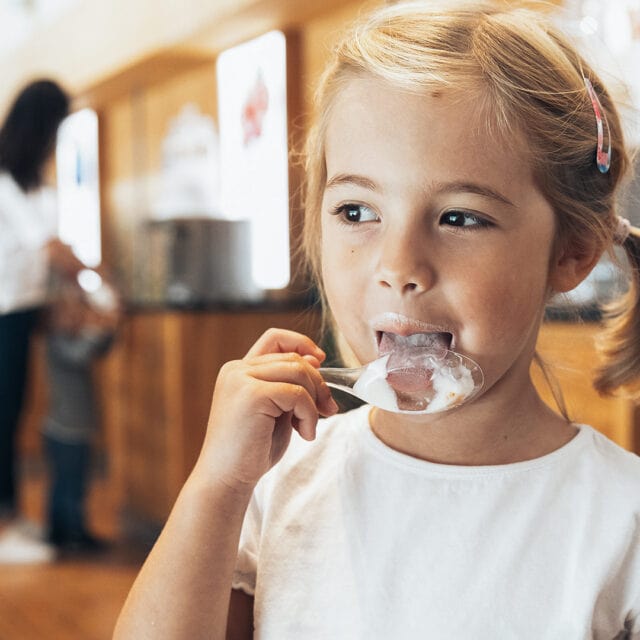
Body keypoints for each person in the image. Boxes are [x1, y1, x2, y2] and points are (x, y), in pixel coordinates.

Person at [114, 1, 640, 636]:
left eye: (460, 217)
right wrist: (217, 486)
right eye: (358, 212)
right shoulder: (273, 485)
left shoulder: (621, 523)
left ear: (572, 252)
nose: (397, 266)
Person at [0, 79, 85, 563]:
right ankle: (4, 523)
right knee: (3, 416)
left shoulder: (32, 181)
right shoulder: (5, 178)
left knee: (14, 414)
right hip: (5, 312)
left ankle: (10, 514)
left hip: (23, 312)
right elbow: (48, 246)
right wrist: (92, 273)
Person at [43, 269, 120, 553]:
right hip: (64, 429)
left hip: (74, 427)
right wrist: (102, 326)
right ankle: (67, 533)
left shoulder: (70, 339)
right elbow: (82, 353)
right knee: (67, 484)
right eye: (73, 312)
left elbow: (98, 348)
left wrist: (110, 327)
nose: (78, 317)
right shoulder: (58, 342)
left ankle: (67, 531)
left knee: (72, 483)